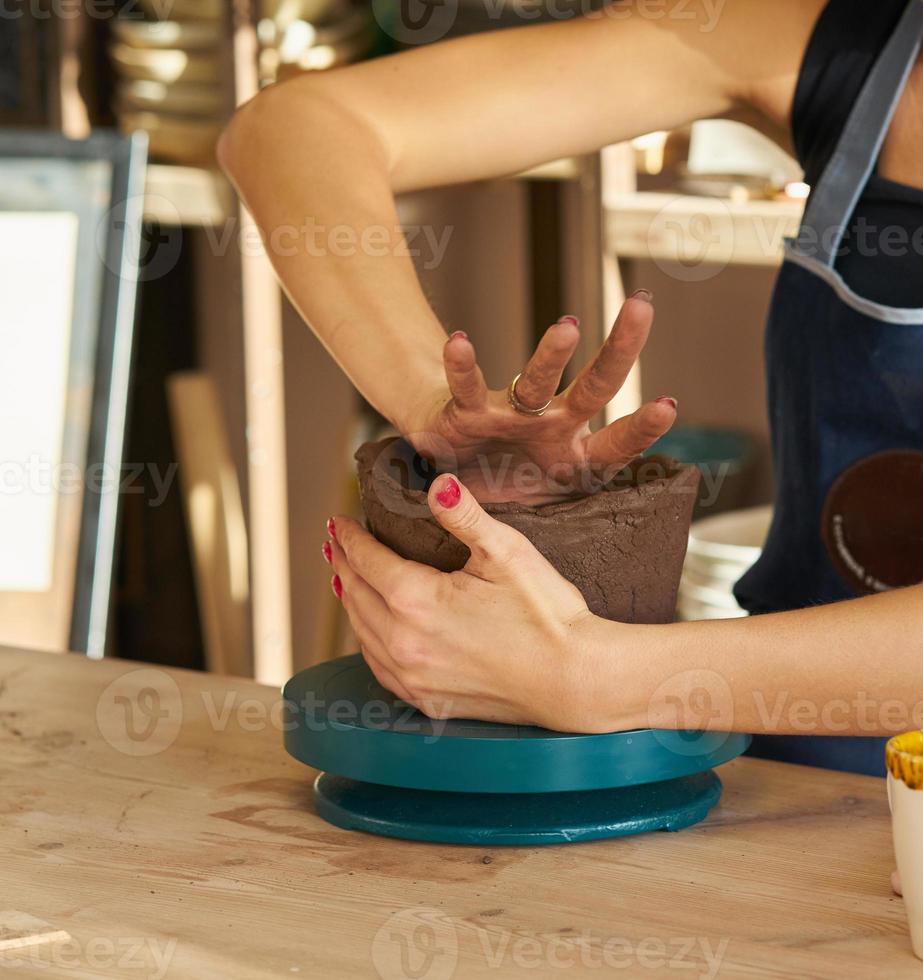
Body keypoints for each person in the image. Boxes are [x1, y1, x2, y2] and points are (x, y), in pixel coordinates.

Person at [218, 0, 923, 777]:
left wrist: (601, 676)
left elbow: (599, 679)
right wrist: (434, 405)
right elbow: (290, 131)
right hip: (790, 776)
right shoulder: (833, 42)